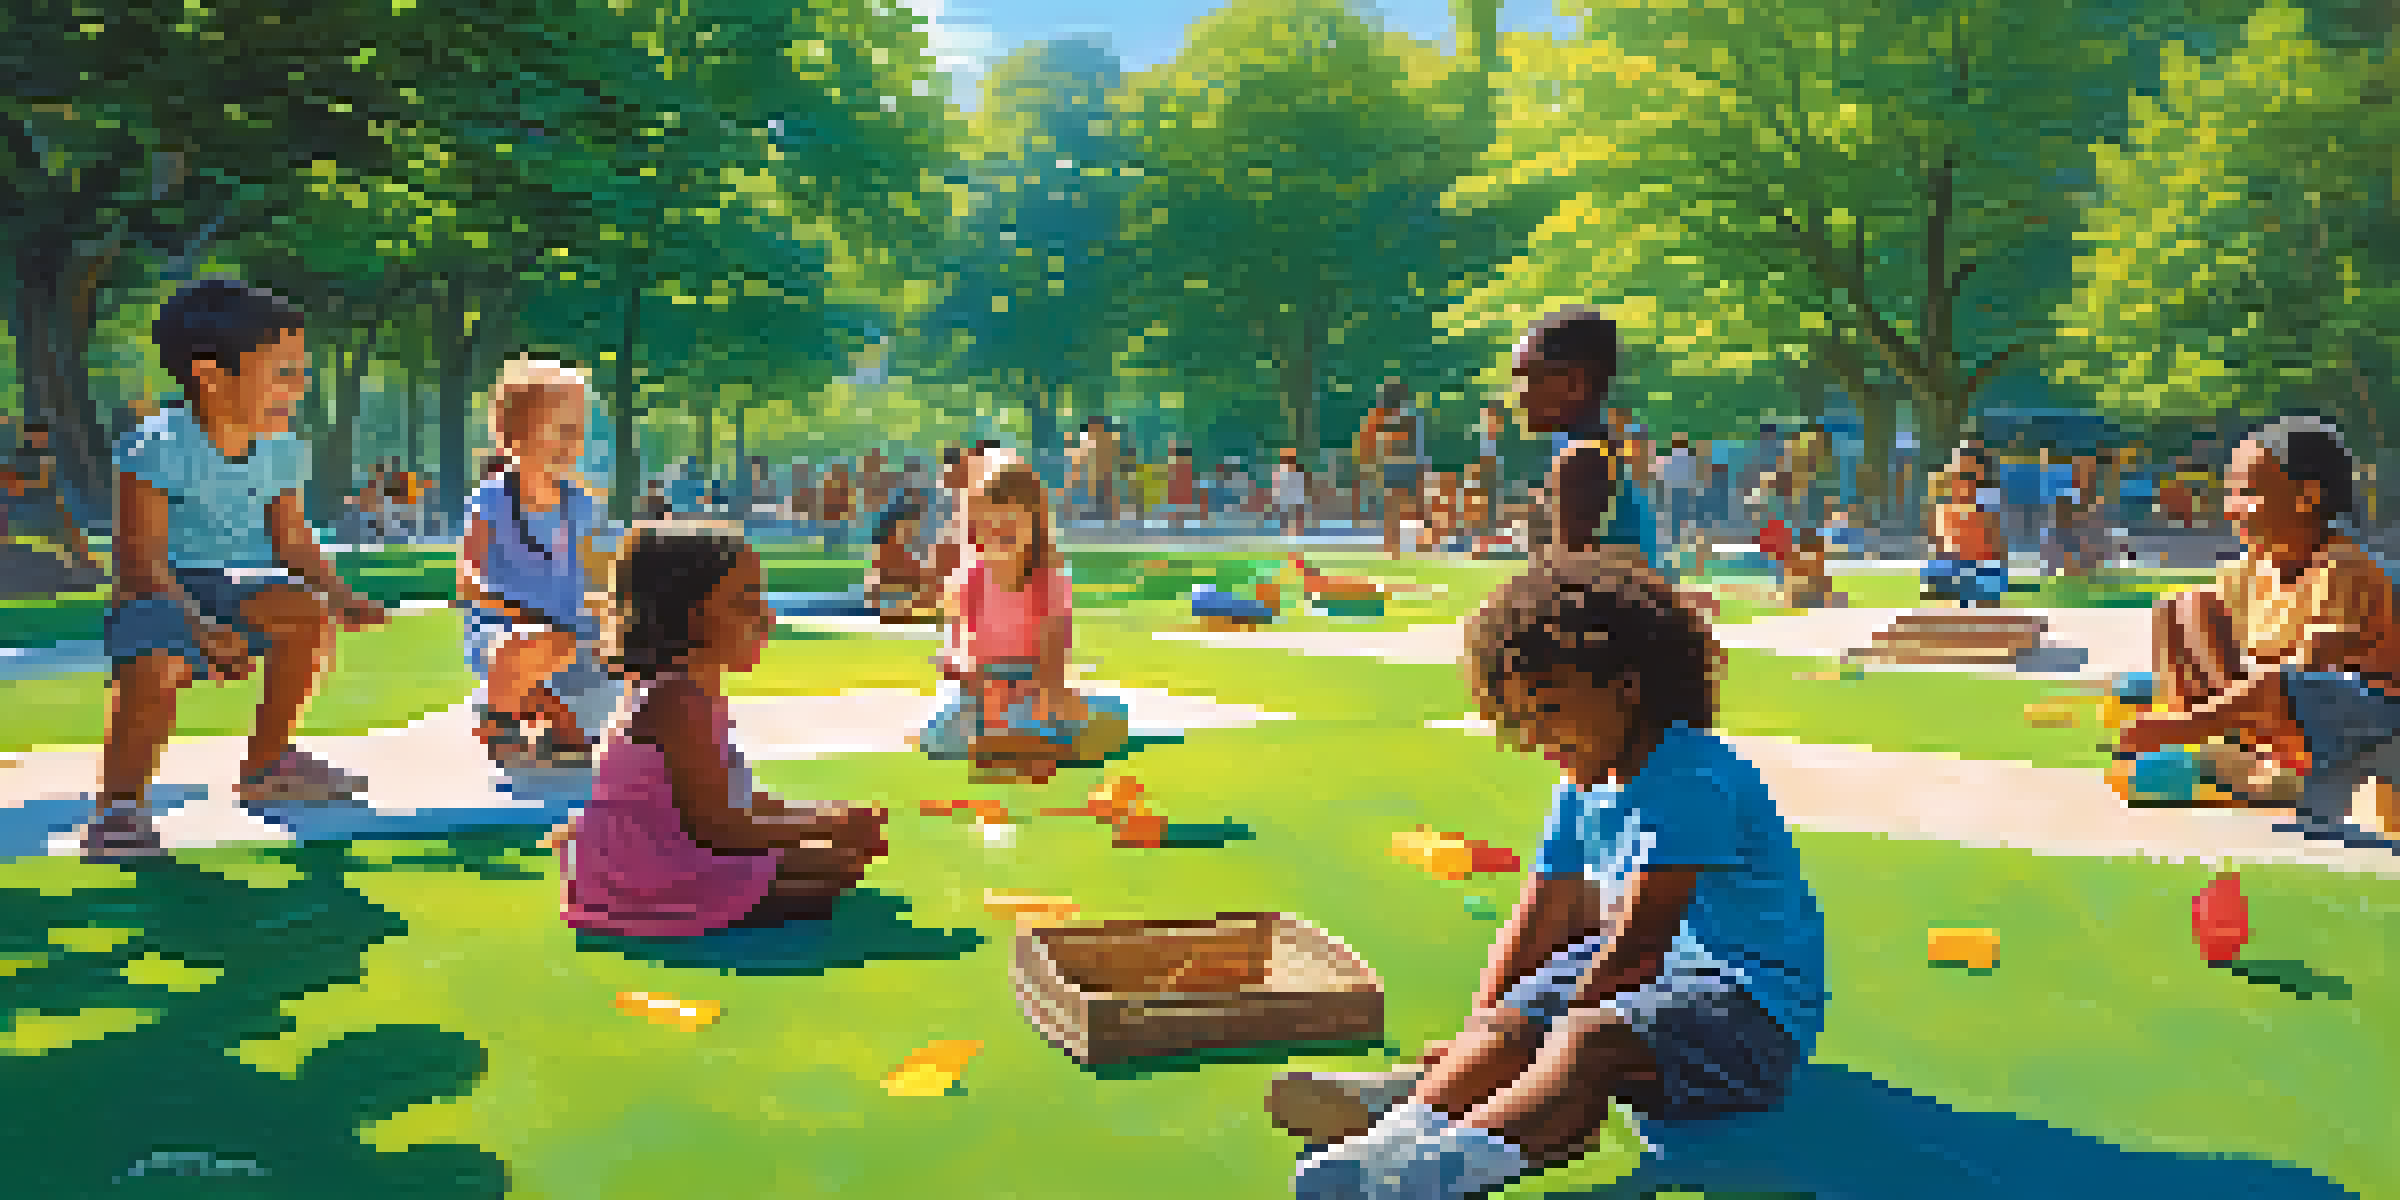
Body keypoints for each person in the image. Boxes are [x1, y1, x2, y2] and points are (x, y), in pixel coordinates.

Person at [1274, 558, 1824, 1197]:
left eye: (1551, 709)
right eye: (1519, 720)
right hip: (1648, 989)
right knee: (1525, 1010)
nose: (1536, 736)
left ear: (1628, 684)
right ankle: (1399, 1131)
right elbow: (1542, 918)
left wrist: (1546, 1042)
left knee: (1585, 1037)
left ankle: (1432, 1170)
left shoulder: (1691, 775)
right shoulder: (1582, 785)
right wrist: (1488, 1029)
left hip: (1748, 1019)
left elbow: (1641, 945)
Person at [85, 279, 390, 860]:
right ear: (209, 376)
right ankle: (119, 807)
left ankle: (268, 764)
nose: (299, 387)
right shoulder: (157, 448)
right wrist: (199, 630)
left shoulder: (283, 449)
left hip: (228, 586)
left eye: (301, 371)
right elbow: (140, 562)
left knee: (306, 611)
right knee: (153, 668)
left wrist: (339, 593)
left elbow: (292, 541)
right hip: (158, 590)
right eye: (282, 373)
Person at [562, 525, 890, 934]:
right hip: (650, 871)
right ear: (688, 615)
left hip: (660, 852)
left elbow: (741, 800)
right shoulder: (678, 700)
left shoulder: (693, 690)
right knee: (832, 869)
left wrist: (827, 815)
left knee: (836, 855)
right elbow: (719, 827)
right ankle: (662, 906)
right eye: (745, 603)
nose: (767, 617)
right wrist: (826, 826)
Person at [2114, 418, 2400, 836]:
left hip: (2344, 731)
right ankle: (2230, 754)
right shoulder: (2247, 575)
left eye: (2246, 493)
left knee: (2284, 677)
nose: (2230, 508)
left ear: (2306, 497)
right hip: (2268, 719)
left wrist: (2208, 711)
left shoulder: (2348, 572)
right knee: (2182, 609)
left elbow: (2308, 681)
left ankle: (2261, 764)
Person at [920, 463, 1129, 783]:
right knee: (938, 727)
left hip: (1034, 685)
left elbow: (1053, 653)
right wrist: (978, 684)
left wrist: (1047, 696)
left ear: (1035, 526)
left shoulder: (1049, 580)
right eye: (991, 525)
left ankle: (1020, 745)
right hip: (983, 688)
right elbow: (960, 649)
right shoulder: (970, 579)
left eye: (1011, 525)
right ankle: (1018, 745)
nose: (1000, 534)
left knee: (1112, 718)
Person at [457, 358, 607, 769]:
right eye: (561, 430)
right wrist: (518, 613)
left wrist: (612, 611)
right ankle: (499, 715)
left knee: (571, 748)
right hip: (505, 630)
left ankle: (554, 712)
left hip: (572, 632)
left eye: (578, 432)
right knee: (534, 644)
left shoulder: (580, 504)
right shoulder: (492, 499)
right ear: (513, 436)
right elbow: (467, 578)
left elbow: (599, 573)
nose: (572, 444)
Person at [1507, 309, 1660, 573]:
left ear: (1574, 384)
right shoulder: (1599, 446)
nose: (1519, 394)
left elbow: (1567, 587)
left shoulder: (1581, 460)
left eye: (1528, 377)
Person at [0, 419, 102, 573]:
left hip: (44, 503)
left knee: (69, 529)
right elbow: (16, 481)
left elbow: (46, 483)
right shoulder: (23, 455)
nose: (41, 440)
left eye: (43, 437)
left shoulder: (44, 457)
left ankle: (85, 563)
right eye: (38, 436)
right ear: (30, 436)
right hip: (31, 504)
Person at [1923, 469, 2008, 608]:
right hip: (1957, 564)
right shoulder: (1946, 512)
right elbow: (1942, 542)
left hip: (1979, 566)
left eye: (1967, 486)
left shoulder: (1986, 512)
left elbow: (1993, 543)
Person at [866, 496, 933, 620]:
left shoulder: (908, 557)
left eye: (914, 526)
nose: (913, 530)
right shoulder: (886, 553)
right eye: (909, 526)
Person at [1273, 447, 1310, 539]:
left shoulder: (1298, 471)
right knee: (1286, 521)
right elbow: (1277, 487)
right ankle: (1288, 536)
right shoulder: (1279, 472)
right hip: (1286, 502)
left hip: (1295, 502)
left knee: (1294, 521)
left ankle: (1295, 536)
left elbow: (1300, 487)